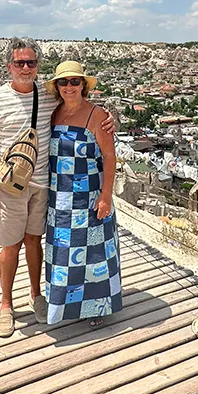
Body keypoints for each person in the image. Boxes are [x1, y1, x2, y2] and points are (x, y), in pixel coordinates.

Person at [0, 39, 115, 338]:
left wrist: (109, 118)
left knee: (35, 241)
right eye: (19, 63)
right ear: (9, 66)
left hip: (47, 186)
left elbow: (86, 114)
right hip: (11, 187)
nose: (25, 68)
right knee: (10, 244)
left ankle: (37, 295)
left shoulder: (49, 97)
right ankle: (5, 305)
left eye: (31, 63)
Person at [42, 61, 121, 325]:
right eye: (63, 82)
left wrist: (106, 196)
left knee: (94, 253)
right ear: (56, 87)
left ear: (83, 86)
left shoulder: (96, 116)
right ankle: (64, 307)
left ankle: (98, 309)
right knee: (64, 254)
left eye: (75, 81)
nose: (69, 87)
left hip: (88, 195)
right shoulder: (54, 113)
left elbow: (110, 157)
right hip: (59, 198)